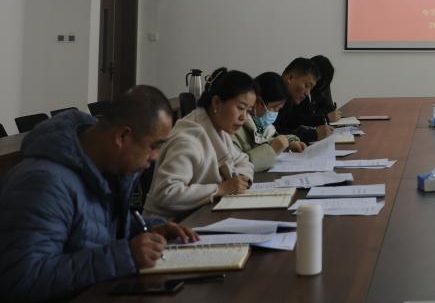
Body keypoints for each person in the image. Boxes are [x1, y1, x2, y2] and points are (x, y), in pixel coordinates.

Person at [0, 86, 197, 301]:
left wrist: (147, 229)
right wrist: (125, 255)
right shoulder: (43, 184)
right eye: (153, 146)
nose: (155, 157)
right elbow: (22, 282)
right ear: (122, 136)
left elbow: (91, 228)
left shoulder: (102, 166)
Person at [144, 69, 256, 221]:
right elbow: (166, 193)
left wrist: (242, 177)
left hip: (198, 216)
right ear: (217, 102)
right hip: (168, 226)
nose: (244, 117)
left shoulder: (218, 129)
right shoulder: (188, 139)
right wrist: (221, 188)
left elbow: (243, 160)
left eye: (249, 111)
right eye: (241, 108)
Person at [231, 71, 308, 172]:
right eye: (274, 108)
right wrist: (271, 150)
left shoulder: (262, 126)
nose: (275, 113)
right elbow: (235, 167)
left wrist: (289, 143)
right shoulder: (233, 127)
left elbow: (267, 140)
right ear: (257, 102)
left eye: (278, 109)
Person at [274, 57, 333, 144]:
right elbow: (275, 134)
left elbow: (290, 126)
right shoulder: (272, 93)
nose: (307, 93)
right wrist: (313, 134)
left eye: (310, 88)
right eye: (306, 86)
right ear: (291, 78)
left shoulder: (289, 100)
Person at [310, 55, 342, 122]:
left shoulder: (319, 90)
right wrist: (326, 117)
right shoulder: (300, 92)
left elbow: (328, 108)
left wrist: (332, 114)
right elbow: (302, 119)